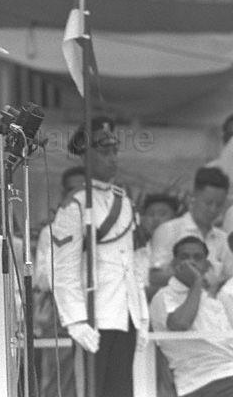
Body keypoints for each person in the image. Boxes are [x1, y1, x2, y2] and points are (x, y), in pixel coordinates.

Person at [51, 116, 149, 397]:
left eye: (114, 151)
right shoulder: (76, 204)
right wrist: (75, 320)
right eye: (104, 152)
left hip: (125, 313)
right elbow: (64, 268)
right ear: (87, 155)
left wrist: (141, 316)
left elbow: (134, 263)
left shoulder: (125, 200)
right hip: (94, 316)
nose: (112, 158)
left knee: (121, 391)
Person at [150, 236, 233, 397]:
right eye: (184, 257)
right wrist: (196, 282)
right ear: (174, 264)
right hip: (202, 381)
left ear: (206, 265)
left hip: (228, 373)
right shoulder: (163, 296)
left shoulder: (212, 298)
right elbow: (180, 323)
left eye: (197, 258)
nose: (191, 262)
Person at [34, 166, 85, 397]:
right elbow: (42, 279)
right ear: (64, 193)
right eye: (74, 190)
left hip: (101, 308)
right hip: (62, 311)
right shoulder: (51, 232)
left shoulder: (105, 230)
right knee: (59, 377)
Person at [150, 167, 231, 291]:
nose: (213, 210)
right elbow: (155, 276)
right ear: (193, 196)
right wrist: (191, 277)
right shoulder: (169, 230)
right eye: (208, 203)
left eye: (219, 205)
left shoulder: (223, 239)